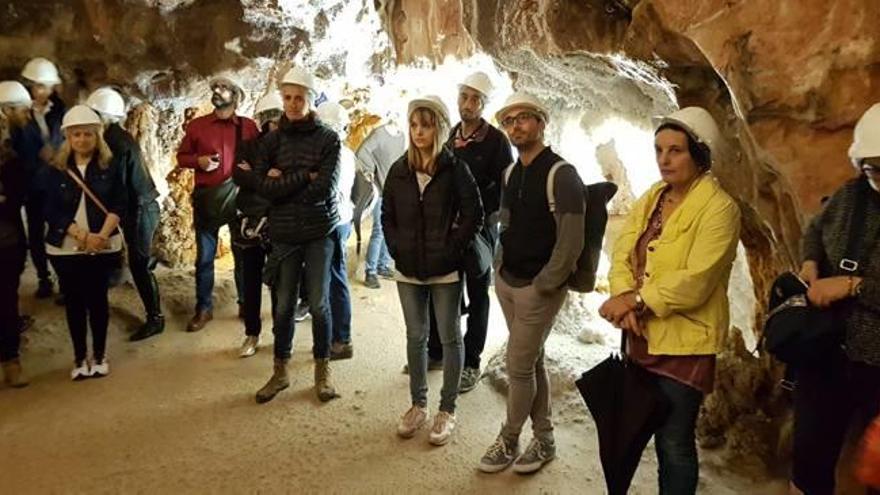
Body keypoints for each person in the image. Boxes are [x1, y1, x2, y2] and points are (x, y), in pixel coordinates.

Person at [600, 107, 740, 493]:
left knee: (674, 441)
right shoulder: (654, 197)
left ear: (699, 154)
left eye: (676, 150)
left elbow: (696, 280)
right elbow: (623, 251)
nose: (664, 159)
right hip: (641, 333)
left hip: (686, 341)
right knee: (632, 428)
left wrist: (636, 303)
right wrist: (623, 296)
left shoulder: (720, 209)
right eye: (659, 150)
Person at [477, 92, 585, 474]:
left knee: (518, 366)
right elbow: (506, 220)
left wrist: (545, 283)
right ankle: (545, 439)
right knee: (531, 362)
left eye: (524, 118)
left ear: (541, 123)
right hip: (508, 281)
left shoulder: (562, 174)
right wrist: (499, 265)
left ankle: (508, 439)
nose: (516, 126)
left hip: (538, 288)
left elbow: (571, 239)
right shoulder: (511, 173)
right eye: (509, 121)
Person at [235, 67, 341, 403]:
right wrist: (301, 178)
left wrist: (280, 183)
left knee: (320, 304)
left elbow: (324, 189)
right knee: (282, 305)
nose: (293, 104)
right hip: (283, 232)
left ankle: (323, 373)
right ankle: (280, 372)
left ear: (310, 99)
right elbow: (262, 188)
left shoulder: (328, 139)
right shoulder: (271, 140)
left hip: (318, 229)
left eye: (299, 98)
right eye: (288, 97)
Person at [791, 103, 880, 495]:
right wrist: (811, 262)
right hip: (828, 352)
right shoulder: (850, 196)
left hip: (877, 362)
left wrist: (851, 285)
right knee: (809, 459)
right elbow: (815, 230)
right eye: (875, 169)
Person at [383, 95, 482, 445]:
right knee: (416, 336)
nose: (418, 132)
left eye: (425, 125)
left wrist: (452, 248)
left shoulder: (456, 169)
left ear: (438, 128)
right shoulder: (399, 170)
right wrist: (396, 249)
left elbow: (474, 213)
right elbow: (387, 216)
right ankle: (418, 405)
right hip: (408, 268)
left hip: (445, 269)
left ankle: (447, 409)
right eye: (413, 124)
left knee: (451, 336)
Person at [425, 71, 513, 393]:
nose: (468, 104)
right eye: (464, 96)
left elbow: (504, 188)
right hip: (450, 229)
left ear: (484, 104)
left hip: (480, 231)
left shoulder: (497, 141)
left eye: (475, 99)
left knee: (477, 295)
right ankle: (437, 352)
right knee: (444, 288)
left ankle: (471, 361)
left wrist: (473, 208)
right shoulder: (451, 136)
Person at [44, 105, 125, 380]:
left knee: (98, 301)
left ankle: (100, 355)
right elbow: (50, 209)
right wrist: (82, 235)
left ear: (97, 136)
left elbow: (119, 202)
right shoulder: (56, 170)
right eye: (76, 134)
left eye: (87, 134)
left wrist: (100, 236)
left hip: (101, 244)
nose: (82, 139)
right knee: (74, 302)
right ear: (67, 137)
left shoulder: (109, 166)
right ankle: (80, 357)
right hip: (65, 246)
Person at [176, 73, 258, 332]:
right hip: (207, 198)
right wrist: (197, 161)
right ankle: (203, 308)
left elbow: (261, 156)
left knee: (242, 254)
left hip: (239, 198)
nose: (218, 91)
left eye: (224, 88)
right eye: (216, 87)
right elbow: (182, 156)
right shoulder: (197, 126)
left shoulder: (248, 127)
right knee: (205, 257)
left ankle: (245, 303)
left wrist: (253, 168)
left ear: (235, 95)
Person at [86, 87, 163, 342]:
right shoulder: (114, 136)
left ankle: (156, 319)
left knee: (139, 266)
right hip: (140, 206)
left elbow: (118, 185)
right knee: (139, 259)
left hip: (140, 208)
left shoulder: (115, 142)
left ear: (102, 116)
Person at [232, 90, 283, 358]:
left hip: (278, 221)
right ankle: (251, 333)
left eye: (277, 117)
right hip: (251, 221)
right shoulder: (249, 146)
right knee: (251, 281)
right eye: (270, 117)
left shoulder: (289, 148)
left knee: (279, 282)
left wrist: (255, 175)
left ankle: (279, 334)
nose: (273, 122)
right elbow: (237, 175)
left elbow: (291, 180)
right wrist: (266, 177)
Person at [17, 57, 65, 300]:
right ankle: (44, 278)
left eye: (45, 86)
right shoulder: (20, 115)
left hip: (56, 182)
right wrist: (37, 156)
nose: (41, 91)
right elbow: (15, 149)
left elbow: (69, 139)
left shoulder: (60, 110)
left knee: (59, 230)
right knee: (35, 233)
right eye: (37, 86)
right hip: (33, 183)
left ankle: (65, 280)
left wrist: (57, 153)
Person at [316, 101, 356, 361]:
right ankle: (338, 336)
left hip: (331, 221)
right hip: (341, 219)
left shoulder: (333, 154)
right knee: (332, 278)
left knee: (334, 278)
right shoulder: (346, 152)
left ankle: (341, 339)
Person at [0, 81, 31, 388]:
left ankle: (10, 358)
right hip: (6, 237)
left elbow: (17, 194)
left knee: (7, 299)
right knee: (6, 299)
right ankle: (9, 359)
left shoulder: (11, 154)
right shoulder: (10, 155)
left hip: (8, 237)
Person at [357, 120, 405, 288]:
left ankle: (383, 265)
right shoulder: (379, 134)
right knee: (379, 231)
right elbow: (363, 151)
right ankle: (370, 271)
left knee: (392, 229)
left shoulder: (402, 136)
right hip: (380, 190)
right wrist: (369, 171)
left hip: (395, 190)